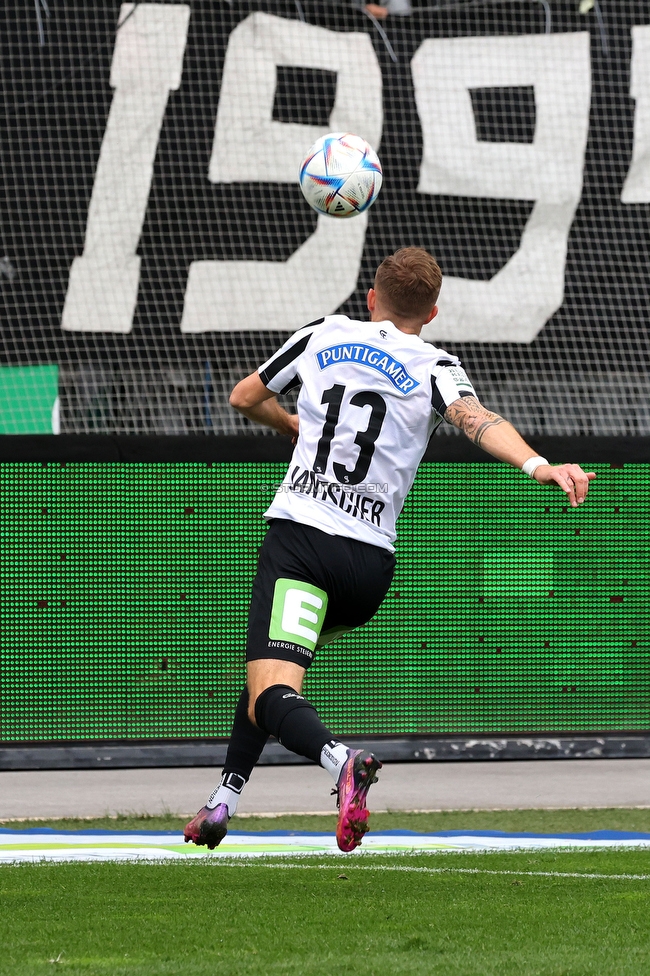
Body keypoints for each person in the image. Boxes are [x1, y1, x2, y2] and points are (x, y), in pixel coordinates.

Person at [184, 247, 595, 853]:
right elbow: (475, 417)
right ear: (431, 312)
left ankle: (341, 761)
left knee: (271, 689)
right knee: (268, 679)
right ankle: (223, 801)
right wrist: (539, 464)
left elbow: (243, 396)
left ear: (370, 297)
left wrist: (289, 424)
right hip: (368, 567)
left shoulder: (324, 334)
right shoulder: (435, 363)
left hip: (302, 540)